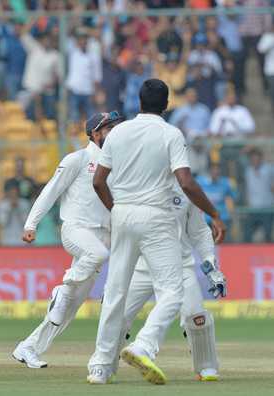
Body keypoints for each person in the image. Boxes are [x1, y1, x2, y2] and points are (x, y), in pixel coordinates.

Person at [87, 79, 225, 385]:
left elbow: (99, 181)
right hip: (150, 233)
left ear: (138, 102)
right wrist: (217, 213)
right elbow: (188, 181)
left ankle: (206, 367)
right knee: (148, 298)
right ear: (167, 104)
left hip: (137, 226)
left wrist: (211, 265)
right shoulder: (170, 136)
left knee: (190, 315)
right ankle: (123, 355)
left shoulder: (119, 132)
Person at [12, 111, 123, 368]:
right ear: (95, 134)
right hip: (75, 230)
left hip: (103, 236)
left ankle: (27, 348)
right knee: (95, 258)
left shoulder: (117, 163)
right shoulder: (78, 158)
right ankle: (62, 287)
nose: (115, 132)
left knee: (69, 308)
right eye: (109, 128)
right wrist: (31, 224)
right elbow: (50, 191)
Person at [118, 185, 226, 381]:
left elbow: (200, 232)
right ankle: (104, 366)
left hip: (180, 265)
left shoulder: (186, 190)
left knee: (196, 317)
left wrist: (211, 263)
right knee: (117, 315)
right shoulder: (138, 186)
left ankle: (206, 368)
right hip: (143, 266)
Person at [243, 148, 274, 243]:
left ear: (261, 159)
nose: (255, 161)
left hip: (266, 207)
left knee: (267, 234)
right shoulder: (247, 171)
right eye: (253, 159)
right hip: (253, 208)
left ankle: (269, 256)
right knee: (247, 234)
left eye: (257, 159)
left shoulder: (269, 169)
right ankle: (245, 255)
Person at [0, 182, 30, 246]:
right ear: (7, 192)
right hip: (7, 240)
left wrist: (18, 208)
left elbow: (26, 224)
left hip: (23, 241)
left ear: (18, 192)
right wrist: (10, 208)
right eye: (11, 192)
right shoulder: (2, 204)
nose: (13, 194)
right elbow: (2, 223)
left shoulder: (24, 203)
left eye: (15, 192)